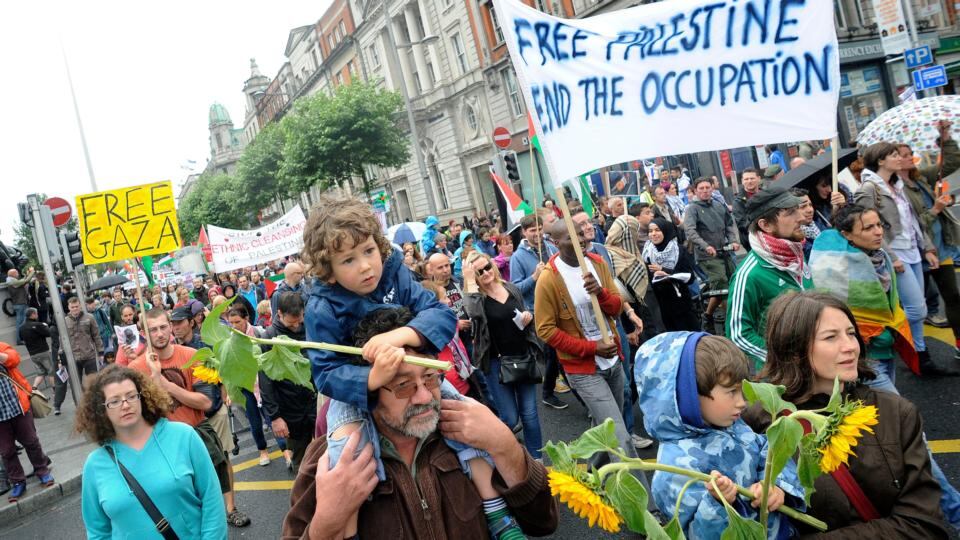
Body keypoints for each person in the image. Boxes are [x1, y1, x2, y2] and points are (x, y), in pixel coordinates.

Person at [302, 195, 524, 539]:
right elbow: (325, 372)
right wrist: (371, 377)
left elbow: (441, 314)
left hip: (419, 369)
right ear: (328, 271)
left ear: (379, 246)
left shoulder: (395, 274)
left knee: (469, 420)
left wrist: (401, 335)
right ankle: (347, 531)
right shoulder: (322, 305)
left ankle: (497, 514)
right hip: (357, 394)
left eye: (368, 251)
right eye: (348, 260)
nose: (365, 266)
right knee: (344, 458)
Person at [282, 308, 558, 539]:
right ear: (367, 389)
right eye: (403, 386)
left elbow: (543, 522)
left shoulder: (470, 427)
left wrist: (506, 446)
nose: (425, 396)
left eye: (430, 377)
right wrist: (327, 522)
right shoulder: (330, 461)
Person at [748, 291, 949, 536]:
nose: (850, 347)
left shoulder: (895, 413)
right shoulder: (757, 423)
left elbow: (924, 524)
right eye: (831, 337)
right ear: (793, 349)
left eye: (851, 333)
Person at [636, 332, 802, 538]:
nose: (742, 402)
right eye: (731, 392)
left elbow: (767, 449)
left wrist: (775, 486)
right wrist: (718, 503)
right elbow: (694, 534)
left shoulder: (731, 424)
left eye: (741, 391)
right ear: (687, 395)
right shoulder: (671, 472)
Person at [534, 219, 654, 499]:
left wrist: (599, 292)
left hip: (612, 361)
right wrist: (591, 348)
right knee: (620, 436)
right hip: (583, 369)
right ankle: (647, 508)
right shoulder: (549, 279)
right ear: (555, 242)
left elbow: (614, 308)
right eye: (570, 238)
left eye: (580, 234)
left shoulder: (597, 263)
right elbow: (545, 330)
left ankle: (591, 477)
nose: (580, 240)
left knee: (602, 428)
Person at [128, 308, 250, 528]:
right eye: (153, 329)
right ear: (145, 333)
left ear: (171, 326)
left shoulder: (190, 355)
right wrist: (152, 376)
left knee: (219, 470)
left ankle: (230, 509)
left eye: (163, 327)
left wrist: (166, 384)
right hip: (163, 441)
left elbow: (205, 402)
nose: (160, 334)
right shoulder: (136, 369)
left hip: (197, 429)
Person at [77, 365, 227, 538]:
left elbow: (212, 500)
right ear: (101, 409)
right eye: (114, 401)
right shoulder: (95, 464)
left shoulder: (183, 436)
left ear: (143, 397)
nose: (125, 405)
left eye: (131, 396)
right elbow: (97, 531)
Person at [855, 142, 942, 375]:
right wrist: (890, 257)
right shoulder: (869, 188)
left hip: (913, 250)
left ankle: (921, 357)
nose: (899, 158)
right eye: (894, 155)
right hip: (893, 256)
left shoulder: (897, 184)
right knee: (917, 310)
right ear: (881, 160)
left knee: (918, 306)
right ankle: (893, 345)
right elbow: (867, 227)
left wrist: (928, 248)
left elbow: (913, 222)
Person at [462, 251, 544, 457]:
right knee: (509, 417)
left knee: (530, 415)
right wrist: (470, 281)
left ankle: (537, 459)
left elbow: (525, 314)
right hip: (496, 364)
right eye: (479, 272)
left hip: (523, 356)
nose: (486, 273)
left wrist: (528, 318)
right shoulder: (477, 298)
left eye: (487, 267)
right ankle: (508, 455)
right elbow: (472, 312)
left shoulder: (510, 288)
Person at [726, 185, 812, 370]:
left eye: (798, 209)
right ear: (766, 225)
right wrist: (781, 360)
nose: (801, 217)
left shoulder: (795, 253)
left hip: (815, 367)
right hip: (782, 381)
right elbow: (738, 334)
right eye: (790, 213)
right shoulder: (749, 274)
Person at [897, 133, 960, 361]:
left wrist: (946, 137)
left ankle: (959, 343)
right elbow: (911, 224)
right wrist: (934, 210)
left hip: (939, 247)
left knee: (952, 297)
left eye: (910, 154)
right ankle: (916, 352)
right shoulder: (895, 189)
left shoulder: (920, 177)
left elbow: (951, 163)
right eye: (903, 155)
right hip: (916, 253)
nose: (909, 158)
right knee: (915, 307)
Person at [258, 292, 317, 472]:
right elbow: (265, 382)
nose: (296, 326)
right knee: (302, 460)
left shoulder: (310, 328)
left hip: (316, 402)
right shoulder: (269, 337)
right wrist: (275, 417)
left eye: (299, 320)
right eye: (291, 323)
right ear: (279, 314)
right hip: (291, 410)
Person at [0, 341, 54, 502]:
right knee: (7, 451)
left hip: (18, 407)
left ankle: (42, 472)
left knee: (31, 442)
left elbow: (14, 358)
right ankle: (18, 482)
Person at [684, 177, 740, 328]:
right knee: (723, 286)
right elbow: (690, 231)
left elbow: (729, 225)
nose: (705, 191)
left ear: (712, 188)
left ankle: (707, 315)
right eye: (701, 188)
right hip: (707, 256)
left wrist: (734, 240)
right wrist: (705, 246)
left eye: (707, 187)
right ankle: (732, 323)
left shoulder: (718, 205)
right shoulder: (692, 209)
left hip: (724, 252)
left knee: (733, 283)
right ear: (695, 191)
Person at [642, 218, 699, 331]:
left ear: (666, 231)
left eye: (657, 230)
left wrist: (665, 271)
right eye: (650, 231)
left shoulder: (678, 250)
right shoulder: (648, 253)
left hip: (682, 303)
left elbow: (690, 277)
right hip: (662, 305)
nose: (653, 234)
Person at [64, 296, 104, 389]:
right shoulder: (65, 321)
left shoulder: (89, 317)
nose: (75, 309)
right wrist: (60, 358)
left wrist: (100, 351)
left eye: (76, 306)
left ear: (80, 306)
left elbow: (96, 335)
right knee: (77, 384)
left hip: (89, 355)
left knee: (94, 382)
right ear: (69, 307)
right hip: (73, 357)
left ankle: (95, 400)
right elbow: (62, 340)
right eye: (72, 307)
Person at [20, 308, 53, 392]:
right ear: (33, 315)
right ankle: (55, 390)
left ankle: (33, 389)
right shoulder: (38, 325)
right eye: (36, 313)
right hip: (43, 352)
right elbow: (49, 333)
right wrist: (45, 326)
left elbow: (22, 340)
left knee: (41, 373)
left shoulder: (21, 328)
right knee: (51, 371)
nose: (37, 315)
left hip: (32, 355)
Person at [732, 167, 763, 251]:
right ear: (742, 181)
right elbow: (742, 224)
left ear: (759, 179)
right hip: (753, 241)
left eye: (752, 178)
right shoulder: (738, 201)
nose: (749, 181)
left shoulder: (766, 194)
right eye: (746, 179)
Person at [6, 267, 35, 345]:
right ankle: (19, 340)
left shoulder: (12, 281)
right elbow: (26, 281)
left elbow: (23, 281)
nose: (18, 274)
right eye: (17, 273)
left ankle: (22, 339)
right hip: (20, 304)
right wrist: (32, 272)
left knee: (22, 322)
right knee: (21, 324)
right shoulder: (13, 282)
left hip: (19, 304)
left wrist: (28, 274)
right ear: (13, 274)